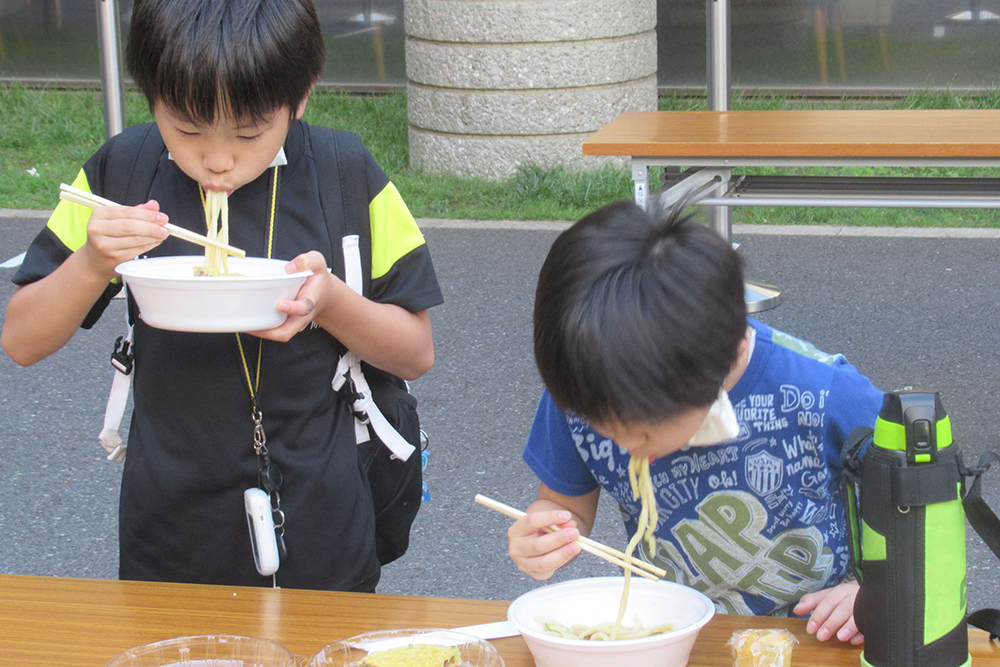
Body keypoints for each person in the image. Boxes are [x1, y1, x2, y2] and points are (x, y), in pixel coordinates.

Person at [1, 0, 442, 591]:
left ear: (301, 95)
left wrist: (331, 301)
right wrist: (92, 260)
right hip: (170, 517)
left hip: (321, 507)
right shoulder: (124, 177)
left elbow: (415, 352)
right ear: (151, 95)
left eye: (249, 132)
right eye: (186, 128)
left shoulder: (344, 176)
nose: (216, 159)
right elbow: (22, 340)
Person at [509, 200, 883, 644]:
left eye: (644, 430)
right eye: (599, 423)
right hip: (679, 636)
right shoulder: (588, 387)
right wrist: (545, 535)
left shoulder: (822, 391)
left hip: (819, 635)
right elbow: (564, 507)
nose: (624, 444)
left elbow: (929, 500)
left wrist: (879, 593)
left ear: (731, 356)